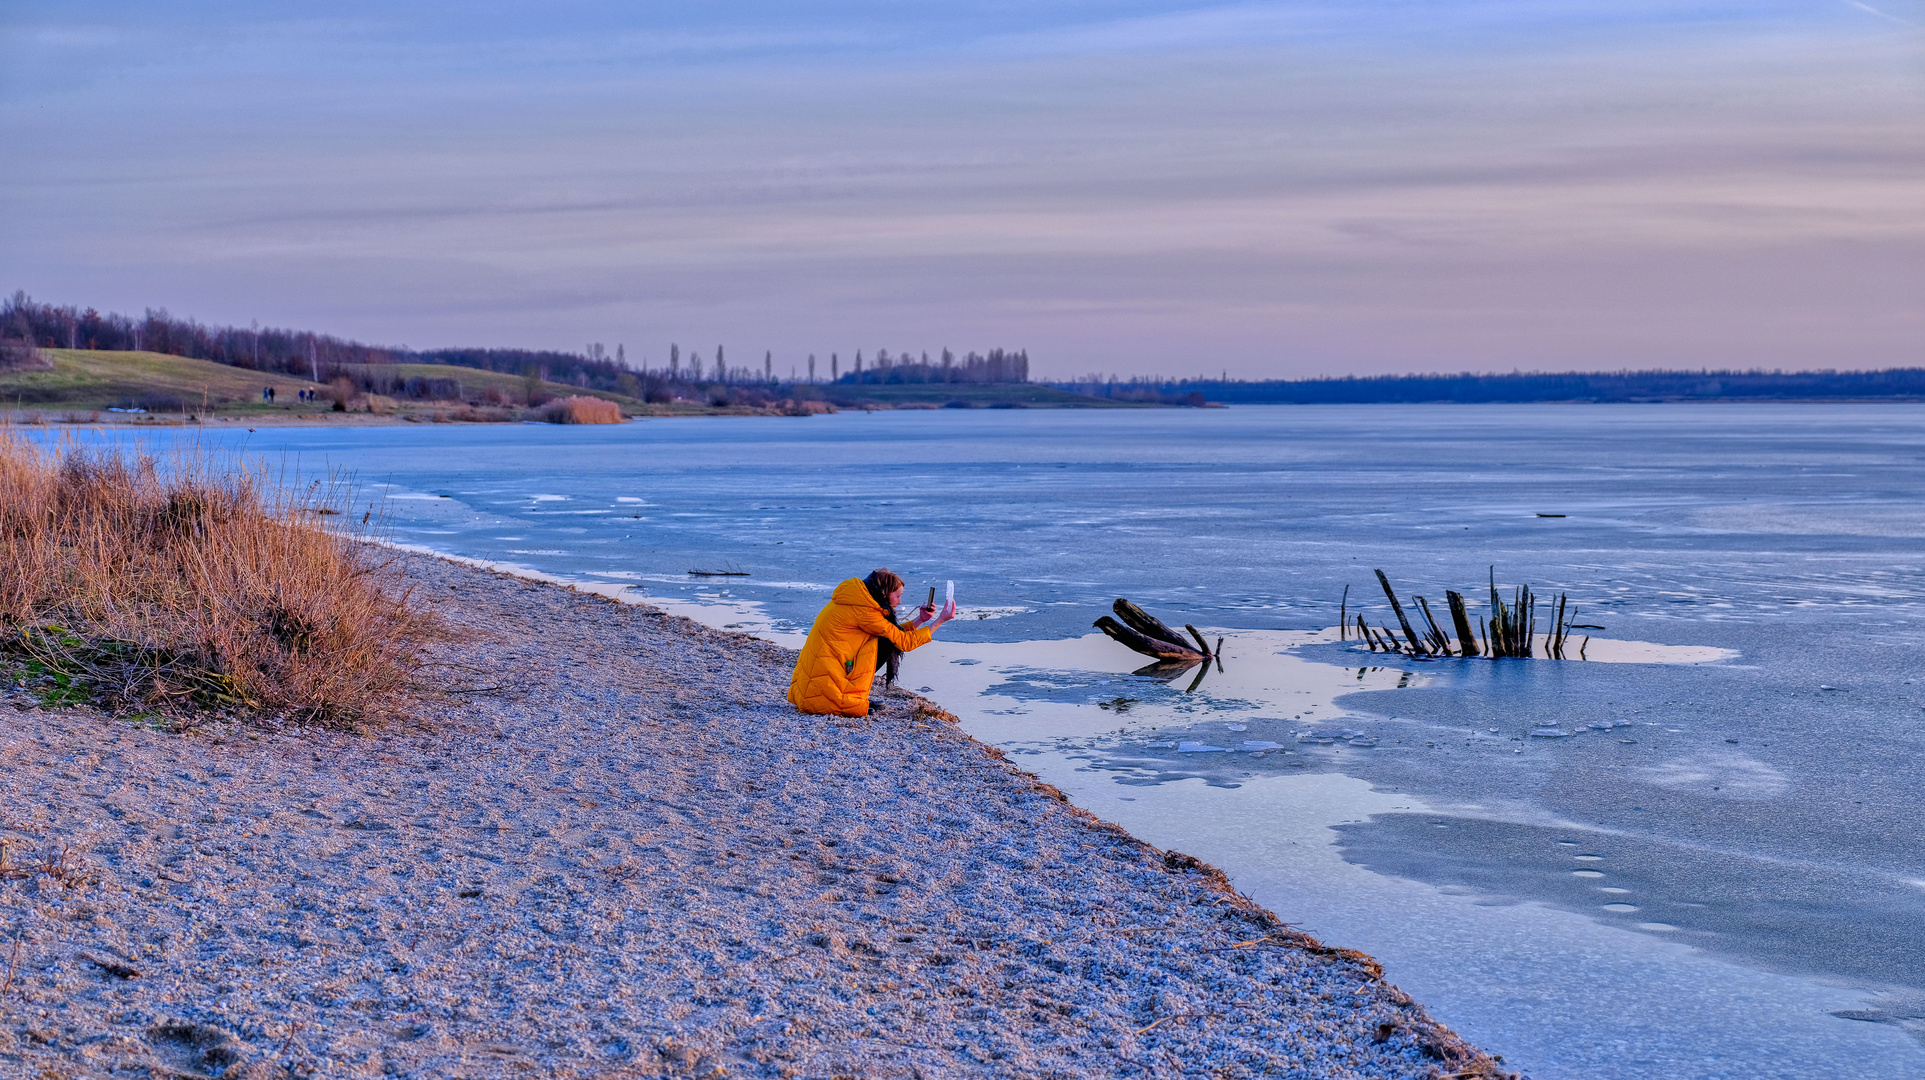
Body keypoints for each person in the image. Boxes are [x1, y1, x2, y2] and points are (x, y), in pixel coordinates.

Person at [789, 568, 954, 717]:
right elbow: (903, 642)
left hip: (814, 681)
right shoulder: (865, 612)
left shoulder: (857, 600)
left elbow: (892, 631)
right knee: (885, 643)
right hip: (821, 691)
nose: (899, 602)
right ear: (884, 593)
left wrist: (920, 620)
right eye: (897, 596)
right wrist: (939, 620)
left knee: (884, 639)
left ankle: (852, 697)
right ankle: (848, 700)